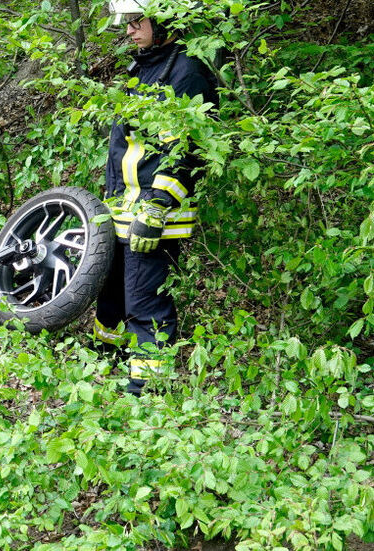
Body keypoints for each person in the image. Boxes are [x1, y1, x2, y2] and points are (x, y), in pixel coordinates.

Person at [94, 0, 219, 395]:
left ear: (163, 21)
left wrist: (158, 203)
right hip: (122, 210)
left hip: (155, 215)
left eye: (136, 22)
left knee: (144, 301)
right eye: (126, 24)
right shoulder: (144, 65)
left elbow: (189, 149)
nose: (129, 31)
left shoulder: (187, 71)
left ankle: (145, 389)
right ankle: (105, 364)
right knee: (111, 296)